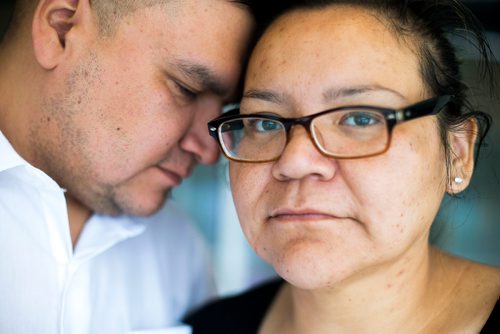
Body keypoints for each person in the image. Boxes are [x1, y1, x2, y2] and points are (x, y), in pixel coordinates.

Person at [184, 0, 500, 333]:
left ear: (457, 151)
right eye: (264, 124)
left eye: (359, 118)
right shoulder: (204, 327)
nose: (294, 161)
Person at [0, 0, 256, 333]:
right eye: (186, 89)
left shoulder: (180, 254)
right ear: (61, 29)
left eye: (222, 109)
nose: (209, 153)